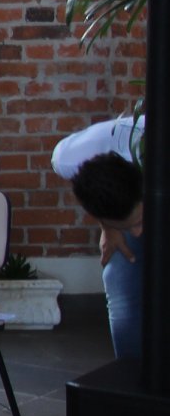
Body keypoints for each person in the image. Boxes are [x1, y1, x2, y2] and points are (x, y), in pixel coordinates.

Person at [53, 115, 147, 361]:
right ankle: (129, 379)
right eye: (130, 225)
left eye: (138, 222)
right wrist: (110, 226)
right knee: (121, 280)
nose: (138, 232)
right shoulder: (71, 157)